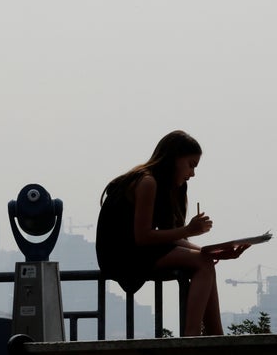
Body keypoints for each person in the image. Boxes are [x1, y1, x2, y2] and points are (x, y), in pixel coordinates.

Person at [95, 130, 248, 336]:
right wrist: (189, 230)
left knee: (205, 260)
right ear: (174, 159)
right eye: (191, 165)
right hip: (122, 256)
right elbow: (143, 237)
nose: (192, 173)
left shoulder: (169, 187)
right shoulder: (147, 182)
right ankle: (192, 336)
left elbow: (172, 238)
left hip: (140, 250)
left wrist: (211, 251)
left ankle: (215, 335)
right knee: (203, 262)